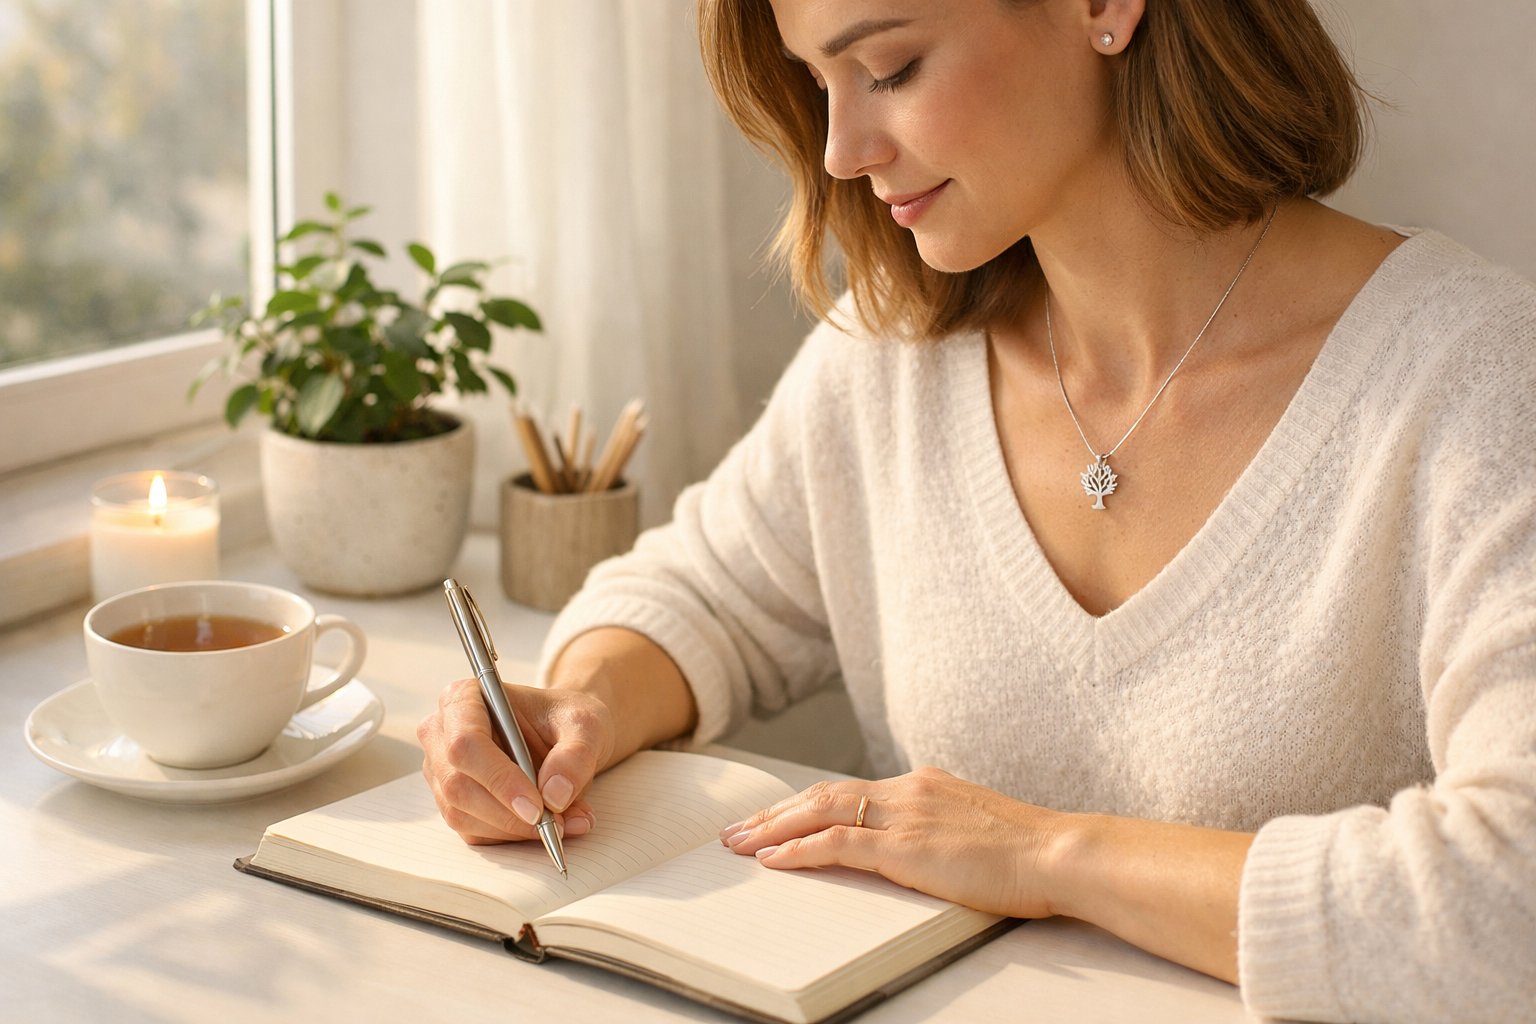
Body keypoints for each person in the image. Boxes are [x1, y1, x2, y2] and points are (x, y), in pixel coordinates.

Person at [418, 1, 1536, 1020]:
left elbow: (1511, 901)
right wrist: (575, 706)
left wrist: (1047, 855)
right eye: (820, 85)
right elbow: (701, 591)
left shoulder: (1477, 383)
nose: (841, 151)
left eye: (891, 69)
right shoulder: (898, 355)